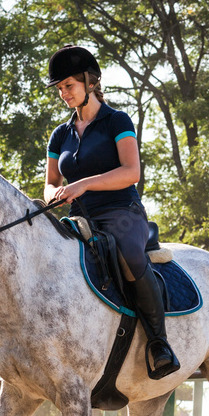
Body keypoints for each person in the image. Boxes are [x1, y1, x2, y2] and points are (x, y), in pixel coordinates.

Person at [44, 44, 179, 380]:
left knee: (130, 255)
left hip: (122, 212)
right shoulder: (60, 134)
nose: (64, 93)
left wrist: (83, 184)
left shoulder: (117, 120)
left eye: (69, 86)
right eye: (60, 88)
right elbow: (50, 182)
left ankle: (158, 343)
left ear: (90, 82)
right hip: (79, 217)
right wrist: (53, 196)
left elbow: (132, 172)